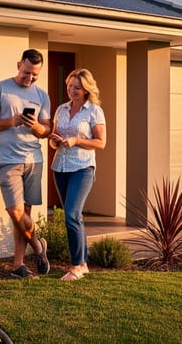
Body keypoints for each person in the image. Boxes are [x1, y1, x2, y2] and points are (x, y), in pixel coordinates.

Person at [0, 49, 52, 278]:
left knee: (25, 214)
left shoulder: (41, 95)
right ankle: (39, 248)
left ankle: (18, 266)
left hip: (33, 159)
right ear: (18, 65)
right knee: (15, 211)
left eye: (35, 75)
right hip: (7, 159)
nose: (29, 78)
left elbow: (46, 130)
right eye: (26, 72)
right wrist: (11, 121)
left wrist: (36, 127)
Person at [48, 68, 107, 281]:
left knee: (72, 215)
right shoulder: (61, 109)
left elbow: (101, 142)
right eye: (70, 86)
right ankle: (83, 263)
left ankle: (76, 266)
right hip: (60, 167)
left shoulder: (94, 111)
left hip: (82, 168)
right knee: (74, 216)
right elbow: (54, 139)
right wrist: (55, 141)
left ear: (86, 89)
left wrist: (76, 141)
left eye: (77, 87)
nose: (72, 90)